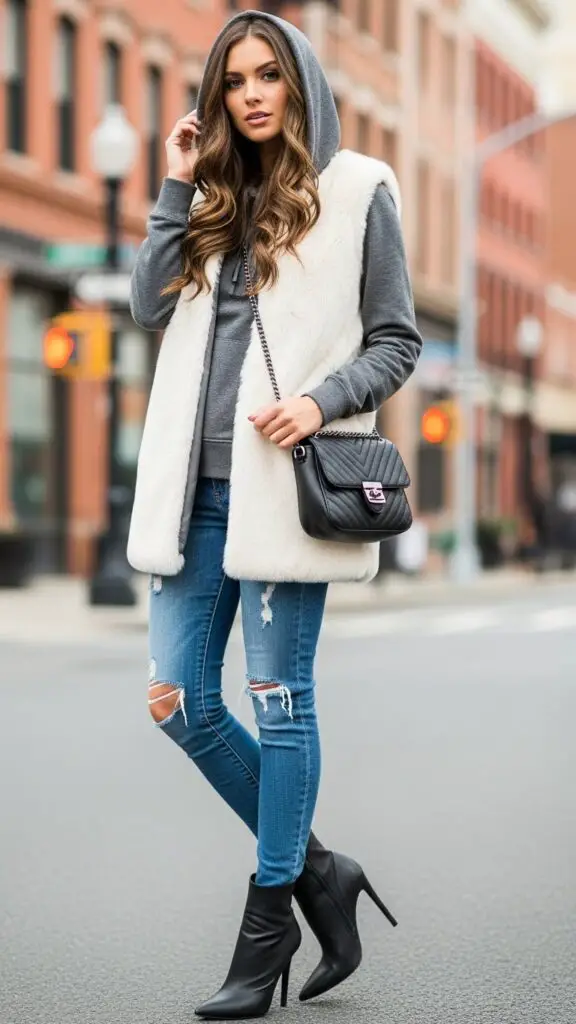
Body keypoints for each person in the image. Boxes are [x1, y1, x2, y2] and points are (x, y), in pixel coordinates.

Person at [128, 9, 422, 1020]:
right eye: (234, 81)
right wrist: (176, 185)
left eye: (269, 76)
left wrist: (321, 400)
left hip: (287, 488)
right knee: (176, 698)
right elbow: (144, 307)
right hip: (193, 496)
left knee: (277, 698)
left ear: (299, 84)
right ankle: (318, 870)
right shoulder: (208, 196)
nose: (252, 94)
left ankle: (266, 924)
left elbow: (396, 339)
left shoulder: (358, 190)